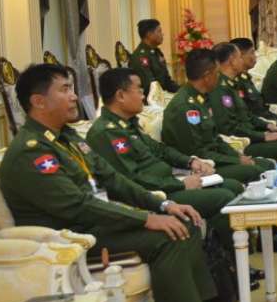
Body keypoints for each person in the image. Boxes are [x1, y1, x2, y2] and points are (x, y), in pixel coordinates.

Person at [0, 63, 230, 302]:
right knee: (167, 237)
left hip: (97, 223)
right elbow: (79, 205)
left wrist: (163, 205)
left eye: (71, 88)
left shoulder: (67, 138)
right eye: (65, 89)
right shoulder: (31, 151)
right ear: (39, 101)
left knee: (183, 221)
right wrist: (147, 218)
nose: (74, 96)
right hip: (71, 238)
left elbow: (114, 180)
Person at [86, 67, 257, 287]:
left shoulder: (128, 124)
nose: (142, 95)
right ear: (120, 96)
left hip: (171, 183)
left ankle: (230, 266)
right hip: (155, 195)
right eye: (138, 90)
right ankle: (233, 269)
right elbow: (132, 179)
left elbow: (160, 150)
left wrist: (190, 162)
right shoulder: (105, 133)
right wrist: (180, 184)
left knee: (231, 185)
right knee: (223, 197)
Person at [164, 50, 276, 187]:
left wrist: (237, 156)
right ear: (207, 76)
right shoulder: (184, 107)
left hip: (216, 158)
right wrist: (235, 161)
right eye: (217, 73)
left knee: (267, 165)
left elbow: (215, 139)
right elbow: (197, 152)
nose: (219, 77)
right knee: (255, 171)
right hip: (202, 167)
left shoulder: (200, 98)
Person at [211, 42, 277, 161]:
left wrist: (269, 126)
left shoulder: (232, 84)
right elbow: (229, 128)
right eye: (239, 57)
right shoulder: (220, 88)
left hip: (250, 133)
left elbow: (248, 115)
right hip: (239, 142)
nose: (242, 61)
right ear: (232, 61)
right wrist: (262, 136)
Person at [129, 17, 178, 93]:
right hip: (150, 98)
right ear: (149, 34)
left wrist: (182, 91)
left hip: (161, 95)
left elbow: (167, 81)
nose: (162, 34)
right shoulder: (141, 57)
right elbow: (150, 87)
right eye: (159, 31)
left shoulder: (156, 52)